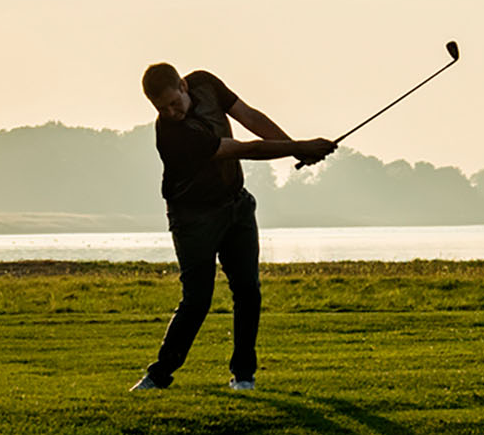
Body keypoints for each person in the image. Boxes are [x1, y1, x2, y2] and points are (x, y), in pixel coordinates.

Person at [131, 64, 335, 391]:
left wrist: (293, 147)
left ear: (183, 86)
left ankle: (243, 376)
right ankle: (158, 375)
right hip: (193, 218)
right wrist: (299, 147)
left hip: (236, 205)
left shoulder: (205, 83)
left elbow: (249, 117)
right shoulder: (173, 134)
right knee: (197, 300)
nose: (170, 112)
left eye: (173, 103)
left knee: (248, 291)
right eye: (161, 108)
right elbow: (243, 149)